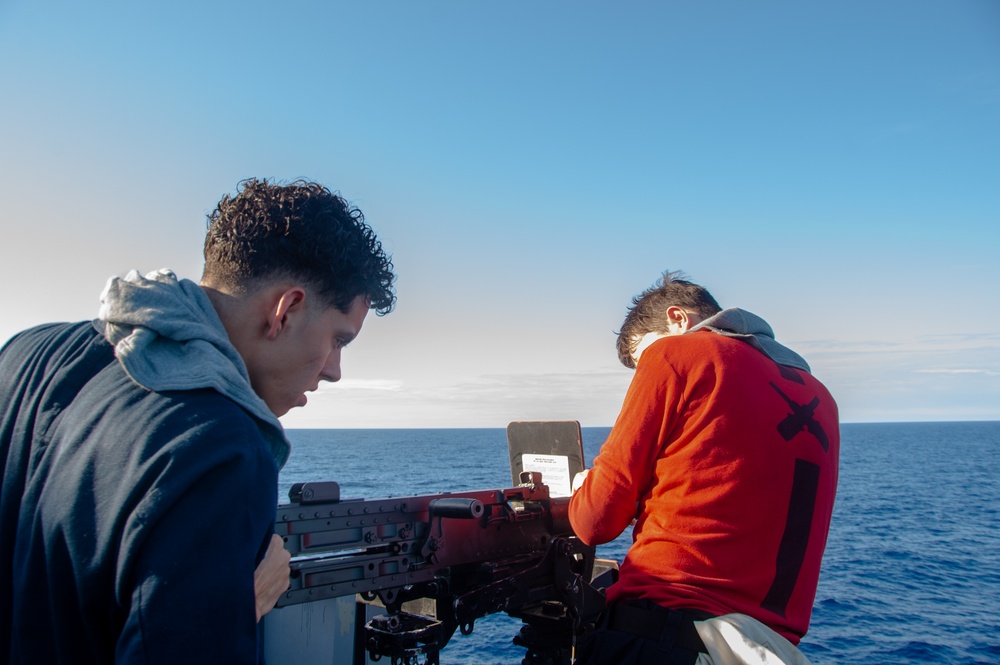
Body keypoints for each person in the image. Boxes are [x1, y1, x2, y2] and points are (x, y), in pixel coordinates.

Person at [0, 179, 396, 664]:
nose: (334, 370)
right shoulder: (221, 449)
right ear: (285, 311)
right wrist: (230, 608)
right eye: (339, 340)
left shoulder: (25, 353)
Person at [569, 271, 839, 665]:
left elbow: (595, 522)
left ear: (678, 319)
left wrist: (586, 487)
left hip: (667, 635)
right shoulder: (820, 397)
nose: (646, 371)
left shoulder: (678, 354)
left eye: (643, 356)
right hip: (769, 648)